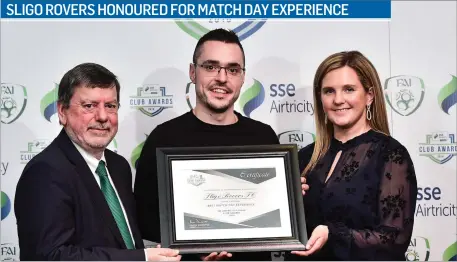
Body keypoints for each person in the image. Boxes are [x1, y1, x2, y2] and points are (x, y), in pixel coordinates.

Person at [134, 29, 292, 261]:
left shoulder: (263, 137)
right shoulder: (163, 139)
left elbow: (274, 218)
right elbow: (145, 221)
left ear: (242, 77)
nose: (222, 78)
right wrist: (193, 252)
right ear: (192, 72)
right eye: (210, 67)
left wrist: (288, 196)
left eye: (233, 69)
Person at [14, 63, 181, 261]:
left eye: (110, 106)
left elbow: (123, 241)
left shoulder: (119, 167)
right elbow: (51, 256)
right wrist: (140, 258)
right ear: (62, 112)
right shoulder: (44, 172)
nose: (102, 117)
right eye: (89, 106)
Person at [286, 51, 418, 260]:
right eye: (329, 91)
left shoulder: (390, 154)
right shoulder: (304, 158)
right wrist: (288, 205)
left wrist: (333, 233)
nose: (338, 100)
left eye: (349, 89)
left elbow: (395, 239)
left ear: (369, 95)